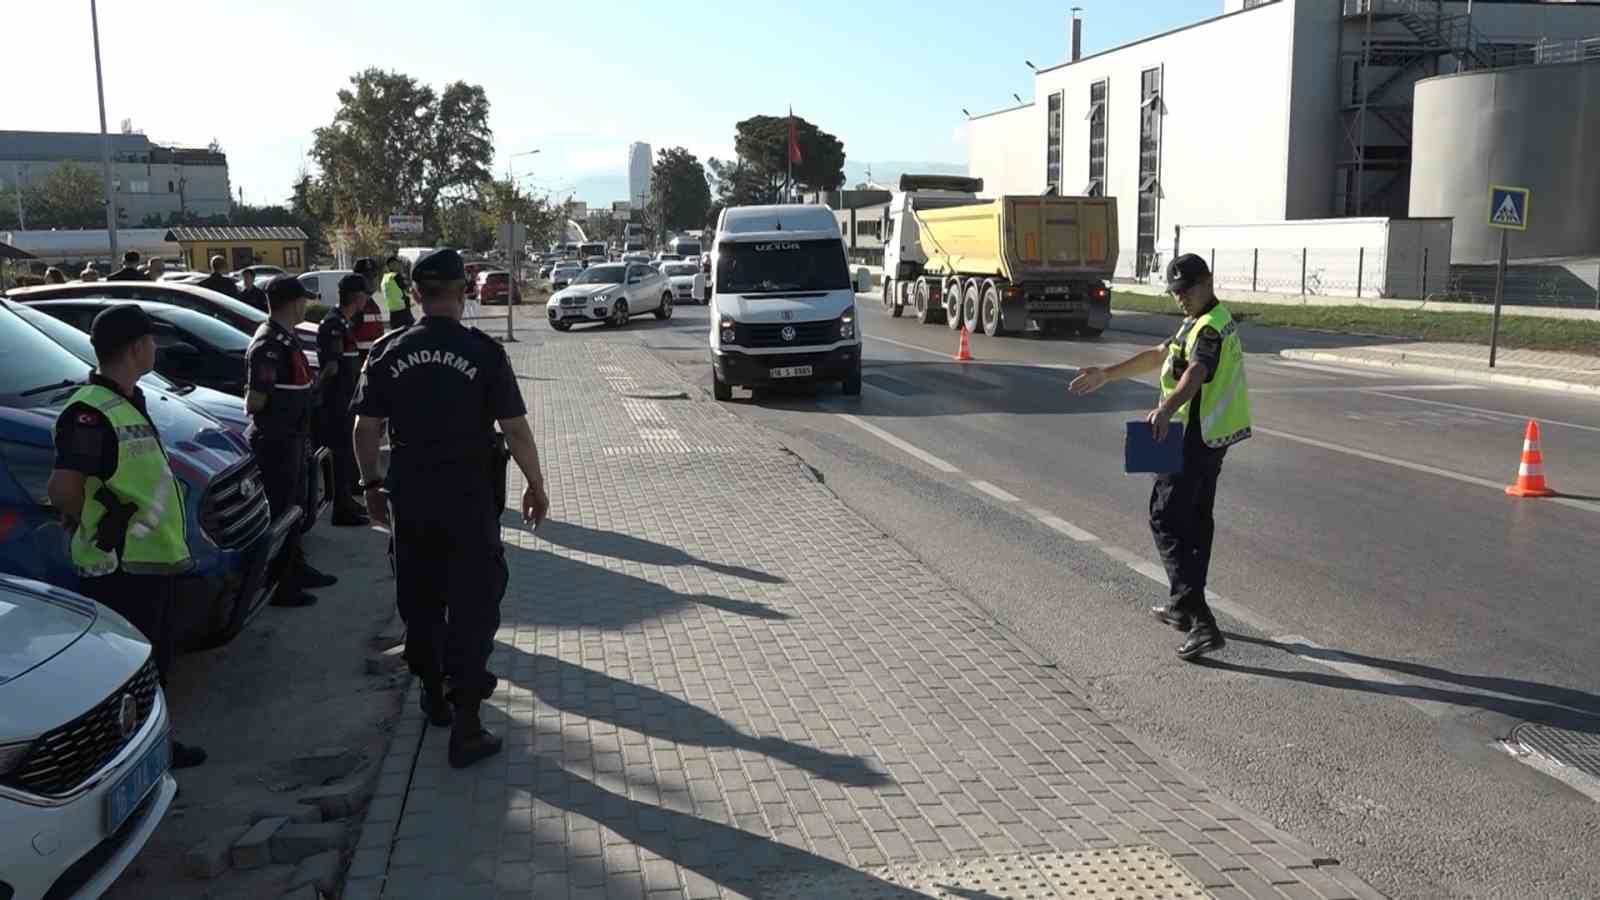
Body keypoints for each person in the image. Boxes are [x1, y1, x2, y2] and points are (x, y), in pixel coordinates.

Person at [352, 248, 549, 769]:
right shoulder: (482, 351)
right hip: (469, 497)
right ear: (463, 292)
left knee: (419, 597)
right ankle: (466, 725)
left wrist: (371, 483)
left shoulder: (388, 351)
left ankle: (433, 696)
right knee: (473, 603)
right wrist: (536, 483)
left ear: (415, 296)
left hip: (411, 494)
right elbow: (514, 427)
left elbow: (365, 428)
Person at [1068, 254, 1252, 661]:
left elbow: (1196, 373)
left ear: (1206, 283)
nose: (1179, 299)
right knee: (1196, 524)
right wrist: (1108, 373)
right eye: (1175, 293)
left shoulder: (1209, 330)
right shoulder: (1203, 319)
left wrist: (1167, 408)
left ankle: (1201, 621)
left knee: (1165, 519)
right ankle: (1182, 606)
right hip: (1209, 438)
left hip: (1192, 437)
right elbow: (1160, 354)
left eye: (1185, 290)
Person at [46, 305, 207, 769]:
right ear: (136, 347)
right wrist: (93, 525)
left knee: (154, 667)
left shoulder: (125, 400)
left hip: (148, 559)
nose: (155, 347)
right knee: (129, 674)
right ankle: (133, 758)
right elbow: (64, 488)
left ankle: (154, 745)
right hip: (119, 565)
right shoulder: (88, 413)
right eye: (151, 340)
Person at [246, 276, 339, 607]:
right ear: (292, 302)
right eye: (302, 300)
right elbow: (255, 399)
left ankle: (296, 567)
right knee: (282, 509)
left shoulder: (286, 338)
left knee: (297, 506)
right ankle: (281, 583)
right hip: (276, 440)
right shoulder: (269, 343)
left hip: (294, 437)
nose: (306, 305)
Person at [316, 274, 371, 527]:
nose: (367, 299)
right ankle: (341, 508)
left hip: (346, 399)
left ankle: (348, 500)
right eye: (365, 294)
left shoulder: (344, 323)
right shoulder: (333, 325)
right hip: (337, 402)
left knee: (346, 453)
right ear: (356, 296)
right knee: (340, 454)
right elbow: (331, 368)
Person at [379, 255, 414, 330]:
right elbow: (408, 290)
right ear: (391, 265)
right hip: (404, 313)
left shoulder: (384, 278)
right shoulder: (396, 276)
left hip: (393, 313)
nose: (400, 265)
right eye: (397, 263)